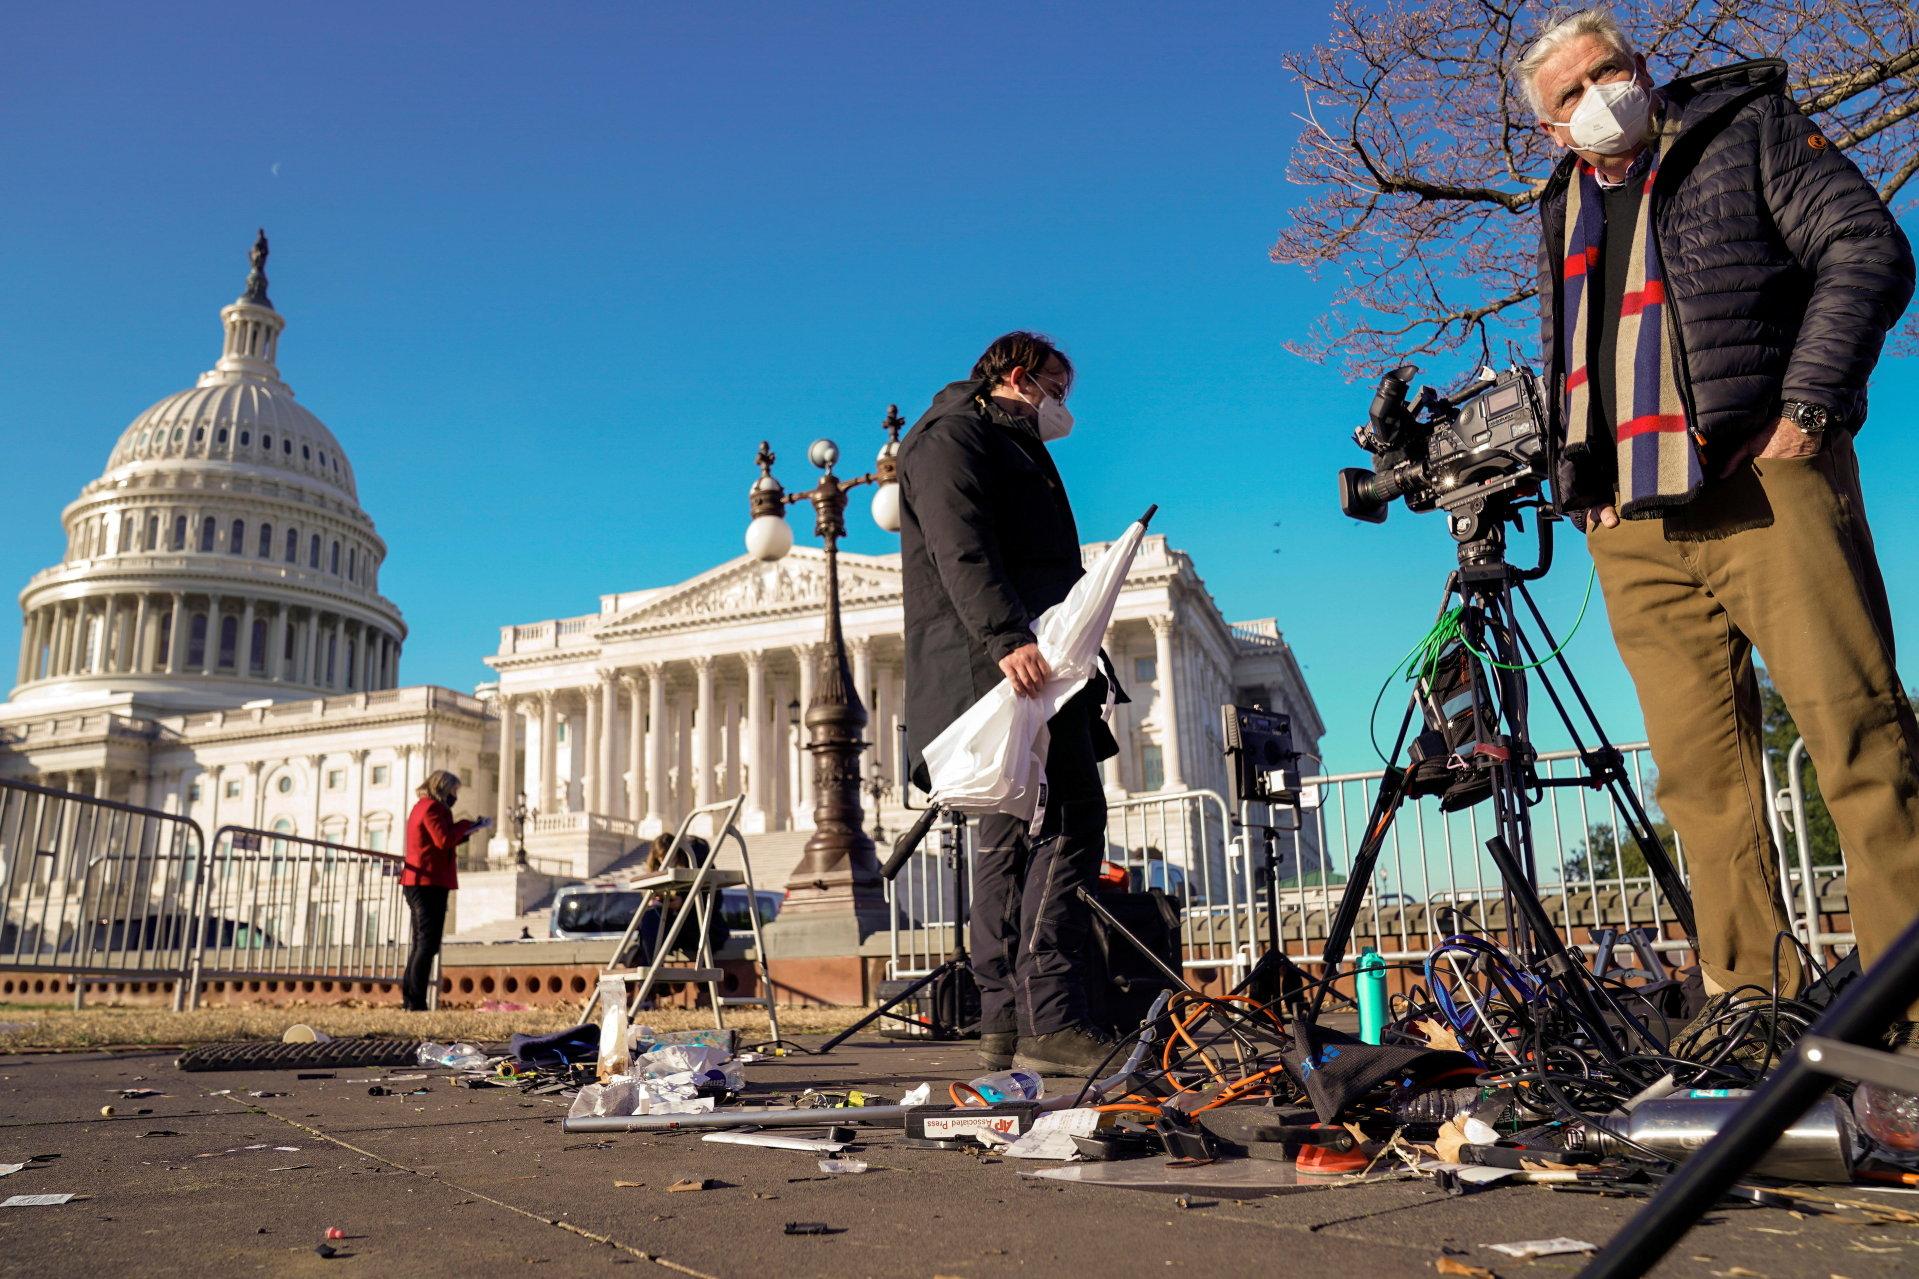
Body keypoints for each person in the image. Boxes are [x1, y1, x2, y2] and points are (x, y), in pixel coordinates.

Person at [1520, 10, 1919, 1038]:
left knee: (1856, 736)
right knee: (1698, 782)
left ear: (1641, 68)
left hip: (1762, 478)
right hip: (1632, 521)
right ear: (1550, 128)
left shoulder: (1746, 125)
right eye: (1568, 93)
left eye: (1607, 69)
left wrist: (1808, 407)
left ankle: (1904, 1008)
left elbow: (1863, 246)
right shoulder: (1558, 204)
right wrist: (1578, 480)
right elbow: (1577, 352)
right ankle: (1751, 1008)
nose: (1595, 94)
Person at [897, 330, 1124, 1076]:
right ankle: (1048, 1015)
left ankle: (1007, 1023)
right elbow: (959, 546)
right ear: (1020, 378)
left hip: (1031, 662)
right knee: (1064, 820)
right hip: (1005, 668)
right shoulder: (952, 436)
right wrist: (1005, 636)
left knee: (1010, 836)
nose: (1064, 408)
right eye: (1058, 390)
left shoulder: (1003, 440)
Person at [401, 770, 488, 1011]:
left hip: (419, 881)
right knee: (427, 944)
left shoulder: (422, 806)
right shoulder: (433, 808)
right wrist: (465, 825)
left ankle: (410, 998)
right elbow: (443, 840)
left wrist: (466, 830)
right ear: (443, 788)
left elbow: (439, 840)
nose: (455, 796)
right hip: (429, 882)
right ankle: (415, 1001)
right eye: (454, 791)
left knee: (421, 943)